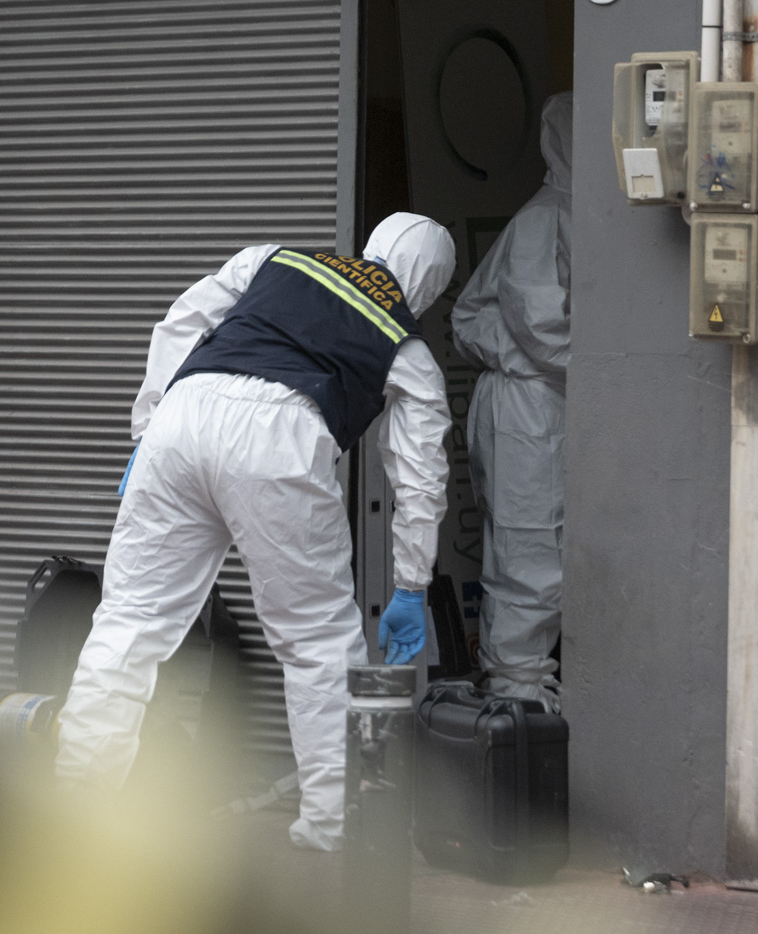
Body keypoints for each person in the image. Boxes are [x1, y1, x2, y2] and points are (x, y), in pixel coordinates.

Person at [54, 213, 456, 851]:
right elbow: (419, 475)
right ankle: (331, 825)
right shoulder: (407, 348)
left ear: (373, 245)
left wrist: (148, 428)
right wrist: (410, 583)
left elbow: (181, 321)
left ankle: (73, 809)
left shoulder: (273, 259)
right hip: (282, 437)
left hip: (183, 420)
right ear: (429, 286)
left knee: (129, 621)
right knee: (318, 638)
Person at [451, 92, 573, 714]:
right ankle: (517, 695)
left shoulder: (572, 214)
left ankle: (523, 686)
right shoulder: (544, 219)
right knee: (531, 547)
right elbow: (540, 325)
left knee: (543, 543)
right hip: (530, 403)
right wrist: (612, 375)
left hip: (543, 399)